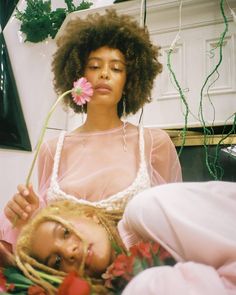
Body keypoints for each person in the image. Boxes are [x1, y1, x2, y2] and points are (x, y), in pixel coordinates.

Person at [0, 9, 182, 251]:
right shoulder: (52, 149)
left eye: (116, 69)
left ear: (130, 81)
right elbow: (46, 230)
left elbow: (172, 224)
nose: (105, 74)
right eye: (94, 66)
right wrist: (30, 214)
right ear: (77, 75)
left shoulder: (154, 143)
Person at [13, 181, 236, 295]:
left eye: (65, 232)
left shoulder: (146, 210)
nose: (69, 251)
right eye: (57, 262)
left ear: (90, 216)